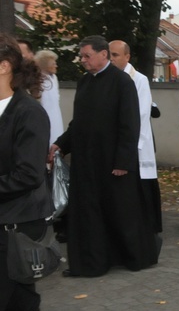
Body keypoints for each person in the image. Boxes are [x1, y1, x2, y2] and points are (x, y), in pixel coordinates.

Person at [49, 35, 159, 276]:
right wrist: (61, 144)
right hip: (87, 161)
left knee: (120, 213)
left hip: (112, 161)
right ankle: (91, 262)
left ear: (103, 55)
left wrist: (123, 161)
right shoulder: (84, 82)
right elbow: (79, 122)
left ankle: (132, 256)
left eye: (87, 56)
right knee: (88, 213)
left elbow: (130, 124)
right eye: (82, 56)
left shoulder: (122, 82)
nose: (83, 61)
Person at [0, 34, 51, 311]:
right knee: (20, 307)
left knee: (21, 307)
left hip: (16, 226)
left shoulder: (29, 112)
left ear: (4, 67)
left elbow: (29, 174)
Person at [109, 41, 163, 234]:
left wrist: (127, 141)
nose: (112, 59)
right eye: (109, 55)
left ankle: (147, 223)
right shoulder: (107, 78)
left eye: (115, 55)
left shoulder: (138, 79)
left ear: (127, 57)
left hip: (135, 140)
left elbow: (139, 113)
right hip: (115, 141)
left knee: (142, 183)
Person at [33, 50, 64, 147]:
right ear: (45, 64)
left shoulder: (54, 77)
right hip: (43, 114)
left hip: (55, 114)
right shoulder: (36, 79)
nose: (56, 66)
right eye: (53, 63)